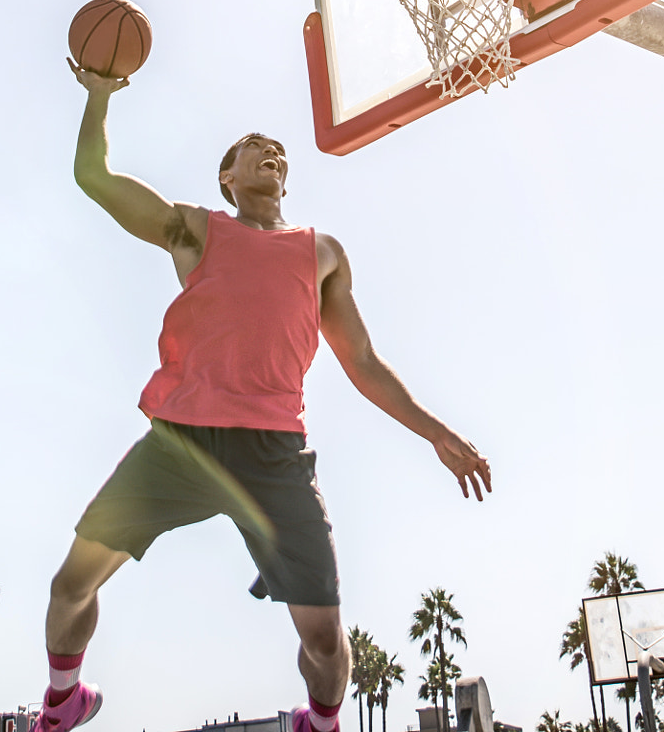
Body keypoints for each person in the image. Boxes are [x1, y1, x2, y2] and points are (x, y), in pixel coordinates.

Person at [37, 60, 493, 732]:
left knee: (326, 644)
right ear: (228, 177)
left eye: (277, 151)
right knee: (70, 586)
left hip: (274, 454)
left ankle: (322, 721)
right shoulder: (196, 230)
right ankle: (63, 699)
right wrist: (99, 97)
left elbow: (361, 360)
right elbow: (93, 177)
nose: (271, 153)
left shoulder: (322, 254)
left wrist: (437, 433)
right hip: (181, 444)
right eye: (255, 148)